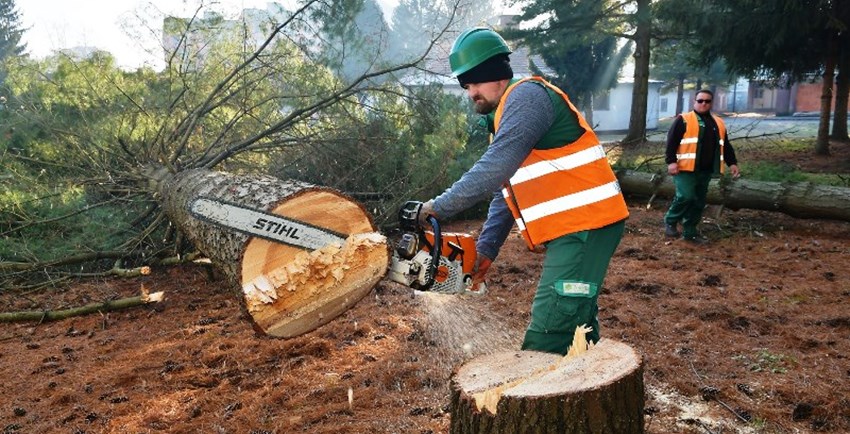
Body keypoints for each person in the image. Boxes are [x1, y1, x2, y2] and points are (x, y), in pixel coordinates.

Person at [415, 27, 629, 355]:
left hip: (586, 227)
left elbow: (493, 170)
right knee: (576, 318)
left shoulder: (527, 98)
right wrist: (484, 253)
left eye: (475, 81)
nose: (471, 92)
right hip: (578, 229)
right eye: (466, 84)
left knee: (551, 327)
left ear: (498, 74)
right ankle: (585, 386)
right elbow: (507, 193)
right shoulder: (506, 117)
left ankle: (546, 387)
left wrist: (435, 208)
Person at [664, 90, 740, 244]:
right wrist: (671, 162)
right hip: (685, 168)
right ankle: (670, 220)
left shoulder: (718, 122)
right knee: (685, 196)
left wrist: (732, 163)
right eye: (700, 101)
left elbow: (725, 145)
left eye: (707, 101)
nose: (703, 103)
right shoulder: (683, 119)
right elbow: (671, 142)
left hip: (705, 170)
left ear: (711, 103)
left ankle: (690, 232)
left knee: (699, 201)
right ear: (694, 101)